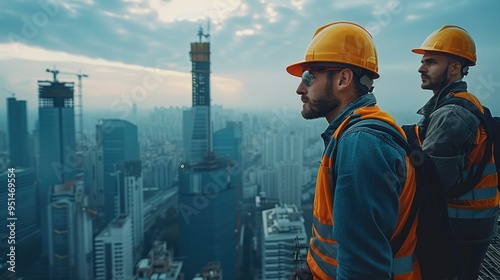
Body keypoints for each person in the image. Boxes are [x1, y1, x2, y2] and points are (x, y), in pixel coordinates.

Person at [286, 21, 421, 279]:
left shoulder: (361, 143)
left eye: (309, 77)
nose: (300, 89)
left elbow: (363, 269)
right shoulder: (357, 132)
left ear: (343, 79)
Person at [411, 25, 500, 280]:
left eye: (431, 62)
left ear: (454, 68)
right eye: (422, 61)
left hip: (459, 225)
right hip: (475, 221)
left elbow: (431, 182)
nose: (421, 68)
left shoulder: (451, 114)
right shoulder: (468, 103)